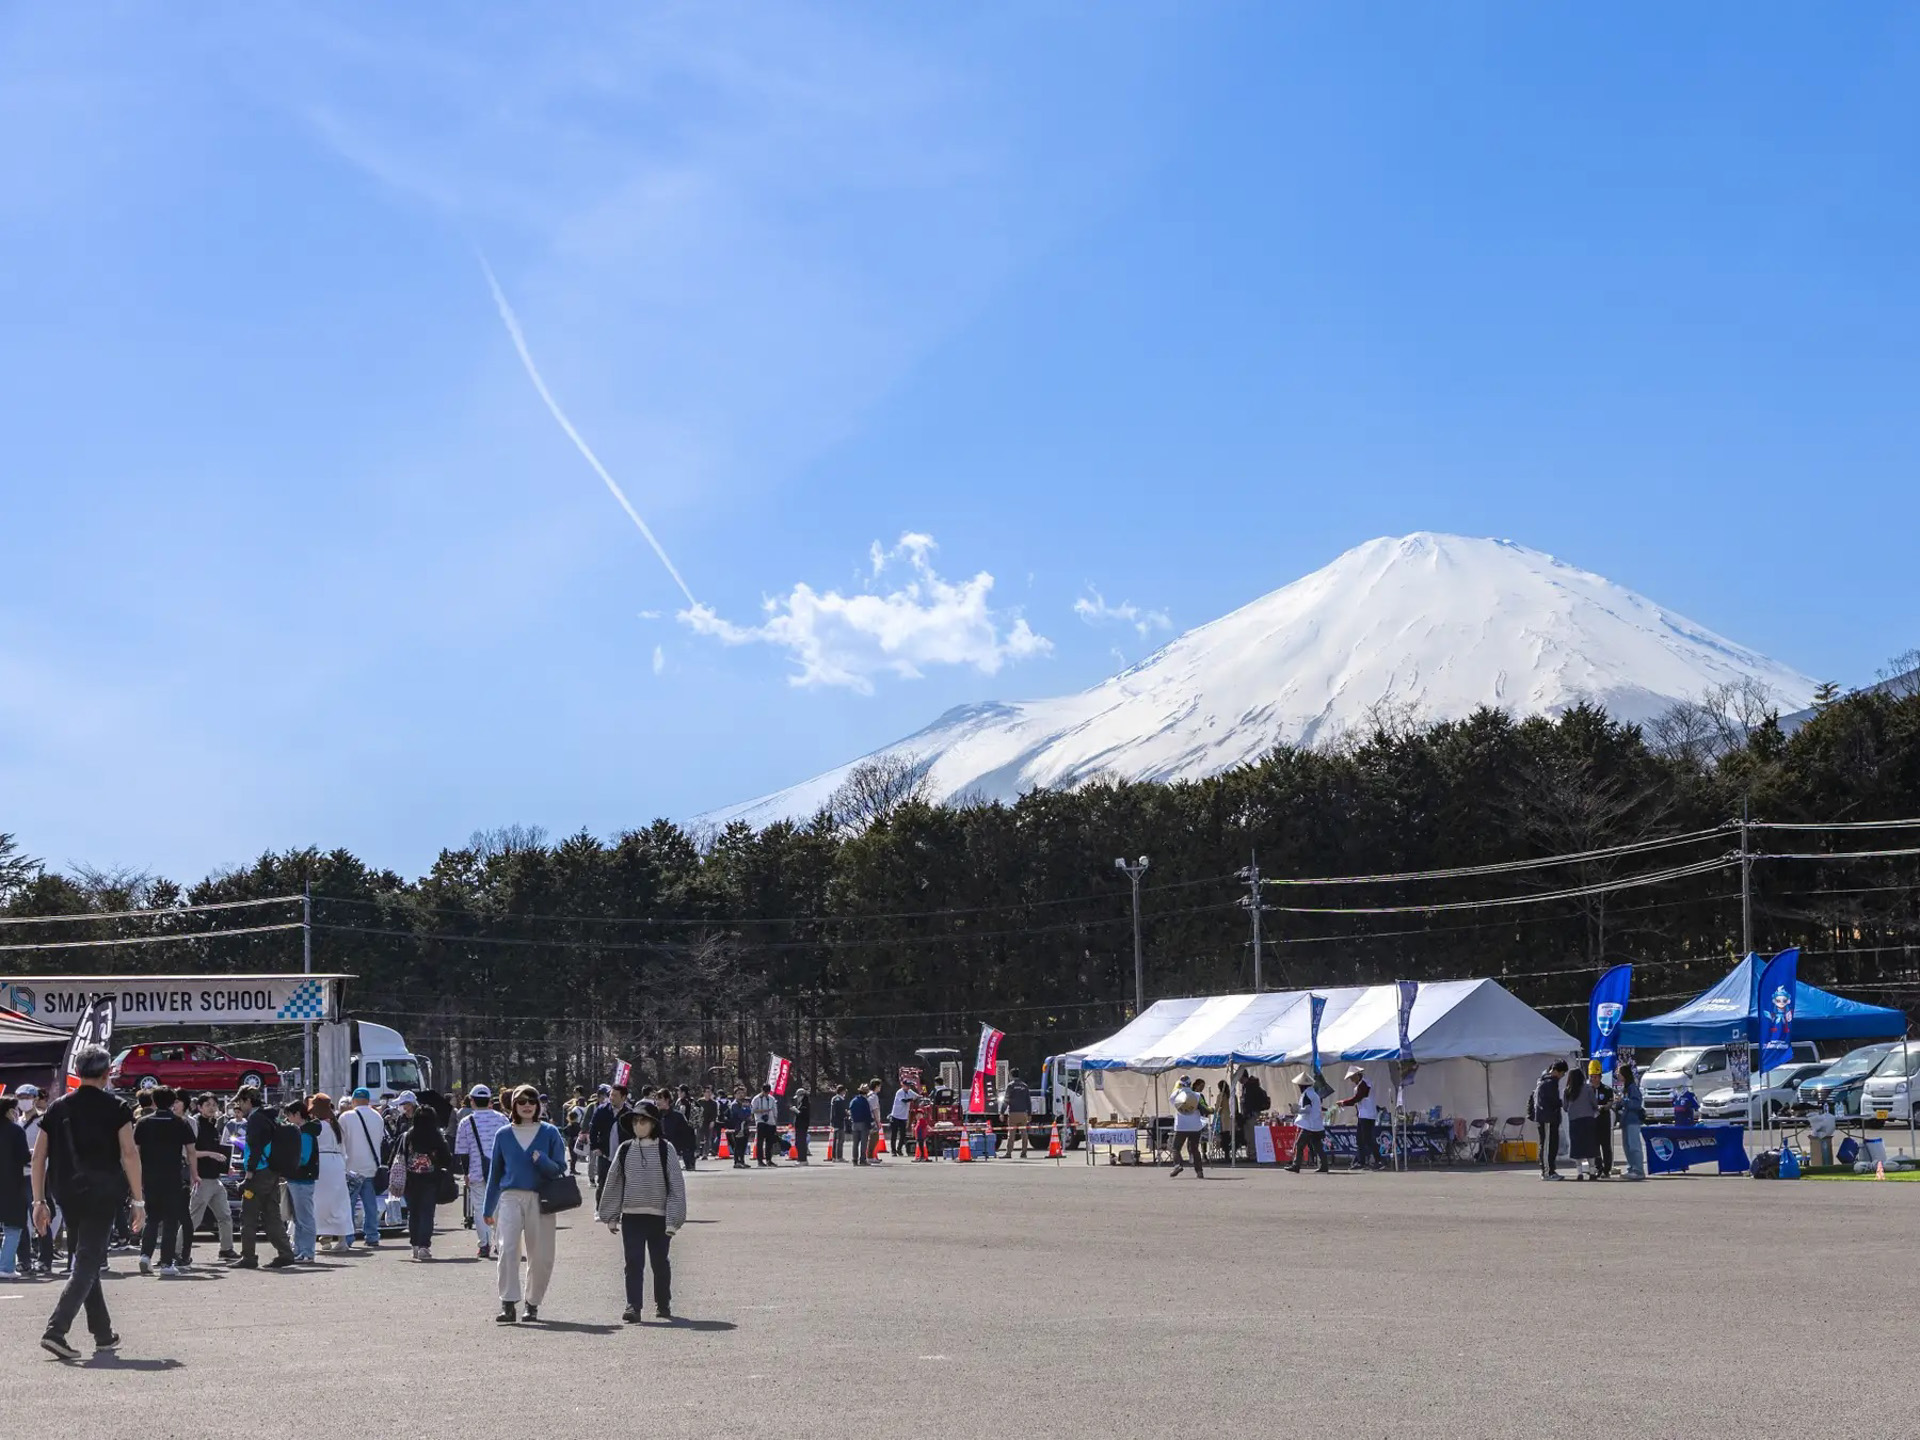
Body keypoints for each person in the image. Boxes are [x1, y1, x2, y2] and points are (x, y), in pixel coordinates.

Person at [31, 1045, 143, 1360]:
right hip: (103, 1191)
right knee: (87, 1261)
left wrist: (39, 1199)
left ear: (78, 1072)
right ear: (108, 1074)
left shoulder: (57, 1107)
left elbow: (39, 1156)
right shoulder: (117, 1106)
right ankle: (56, 1330)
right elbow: (129, 1154)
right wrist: (139, 1199)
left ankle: (103, 1333)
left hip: (66, 1191)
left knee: (86, 1258)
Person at [481, 1084, 567, 1323]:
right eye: (522, 1101)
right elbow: (495, 1174)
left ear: (538, 1105)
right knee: (507, 1248)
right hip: (510, 1196)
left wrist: (542, 1160)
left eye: (532, 1100)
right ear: (514, 1106)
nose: (527, 1105)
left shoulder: (549, 1132)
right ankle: (508, 1302)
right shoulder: (504, 1135)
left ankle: (532, 1303)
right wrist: (488, 1209)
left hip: (541, 1197)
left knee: (540, 1254)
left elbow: (560, 1168)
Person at [596, 1102, 686, 1323]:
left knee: (660, 1262)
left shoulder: (666, 1149)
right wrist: (611, 1215)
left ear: (653, 1123)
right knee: (633, 1262)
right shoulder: (625, 1149)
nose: (638, 1125)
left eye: (643, 1120)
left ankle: (663, 1303)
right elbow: (614, 1182)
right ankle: (633, 1306)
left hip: (659, 1217)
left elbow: (676, 1185)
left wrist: (674, 1220)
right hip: (632, 1216)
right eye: (635, 1121)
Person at [134, 1088, 197, 1275]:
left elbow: (134, 1152)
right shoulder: (180, 1123)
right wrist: (194, 1174)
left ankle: (145, 1255)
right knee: (170, 1219)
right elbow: (191, 1152)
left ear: (153, 1101)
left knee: (152, 1217)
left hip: (149, 1176)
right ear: (172, 1102)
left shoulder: (143, 1122)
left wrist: (137, 1177)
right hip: (172, 1176)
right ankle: (166, 1263)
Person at [233, 1084, 297, 1268]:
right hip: (272, 1171)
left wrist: (248, 1175)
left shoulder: (255, 1120)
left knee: (249, 1216)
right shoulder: (270, 1117)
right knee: (272, 1215)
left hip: (259, 1173)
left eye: (240, 1102)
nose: (239, 1106)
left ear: (247, 1100)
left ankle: (248, 1257)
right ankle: (286, 1253)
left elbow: (254, 1148)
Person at [396, 1098, 453, 1261]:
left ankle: (414, 1244)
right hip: (431, 1179)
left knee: (413, 1212)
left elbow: (398, 1155)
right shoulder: (436, 1137)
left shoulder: (408, 1135)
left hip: (410, 1179)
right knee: (427, 1213)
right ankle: (423, 1246)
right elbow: (447, 1159)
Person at [454, 1083, 507, 1259]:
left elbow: (462, 1151)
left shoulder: (466, 1122)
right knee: (499, 1208)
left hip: (477, 1170)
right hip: (500, 1170)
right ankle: (501, 1244)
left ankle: (484, 1245)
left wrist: (466, 1173)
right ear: (490, 1101)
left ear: (472, 1101)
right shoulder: (501, 1119)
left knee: (479, 1208)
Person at [185, 1093, 236, 1259]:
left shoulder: (213, 1125)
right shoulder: (195, 1125)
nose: (212, 1107)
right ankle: (178, 1251)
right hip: (201, 1179)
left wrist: (225, 1167)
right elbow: (189, 1153)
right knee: (194, 1219)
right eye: (207, 1104)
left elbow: (217, 1152)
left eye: (214, 1104)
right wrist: (211, 1154)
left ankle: (226, 1249)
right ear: (199, 1107)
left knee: (225, 1216)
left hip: (215, 1179)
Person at [339, 1088, 387, 1249]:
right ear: (368, 1100)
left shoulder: (345, 1117)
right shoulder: (377, 1117)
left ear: (353, 1101)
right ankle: (372, 1235)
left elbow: (341, 1141)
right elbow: (380, 1140)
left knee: (349, 1204)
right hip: (371, 1166)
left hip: (351, 1167)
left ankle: (348, 1237)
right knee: (370, 1203)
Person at [307, 1094, 353, 1250]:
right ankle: (342, 1240)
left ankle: (324, 1238)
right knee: (339, 1202)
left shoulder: (317, 1125)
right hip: (337, 1164)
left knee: (318, 1202)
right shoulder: (336, 1125)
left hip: (321, 1163)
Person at [18, 1087, 55, 1276]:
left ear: (34, 1098)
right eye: (20, 1097)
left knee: (40, 1217)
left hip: (38, 1176)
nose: (24, 1100)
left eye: (27, 1097)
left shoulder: (42, 1120)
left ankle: (45, 1259)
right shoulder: (17, 1122)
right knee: (20, 1220)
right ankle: (25, 1259)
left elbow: (46, 1151)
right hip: (19, 1175)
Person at [282, 1098, 320, 1261]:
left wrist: (286, 1165)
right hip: (299, 1179)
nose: (288, 1119)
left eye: (289, 1115)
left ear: (297, 1114)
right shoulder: (305, 1131)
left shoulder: (305, 1134)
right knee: (299, 1217)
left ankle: (307, 1251)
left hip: (301, 1179)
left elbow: (303, 1158)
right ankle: (300, 1249)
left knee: (304, 1217)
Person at [0, 1096, 29, 1276]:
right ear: (9, 1111)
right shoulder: (15, 1131)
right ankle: (6, 1266)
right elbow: (23, 1157)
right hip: (12, 1184)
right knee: (14, 1227)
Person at [1337, 1066, 1381, 1172]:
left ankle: (1379, 1160)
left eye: (1352, 1077)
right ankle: (1361, 1161)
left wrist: (1344, 1103)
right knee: (1360, 1140)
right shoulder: (1360, 1084)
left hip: (1368, 1115)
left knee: (1368, 1139)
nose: (1351, 1080)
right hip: (1363, 1115)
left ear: (1357, 1075)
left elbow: (1357, 1098)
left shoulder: (1364, 1084)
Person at [1285, 1071, 1329, 1174]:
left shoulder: (1306, 1095)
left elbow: (1308, 1109)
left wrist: (1297, 1110)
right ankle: (1324, 1166)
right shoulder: (1314, 1094)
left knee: (1299, 1145)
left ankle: (1296, 1165)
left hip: (1309, 1125)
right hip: (1317, 1125)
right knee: (1318, 1146)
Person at [1532, 1061, 1568, 1181]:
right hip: (1547, 1117)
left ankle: (1550, 1170)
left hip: (1547, 1117)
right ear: (1557, 1071)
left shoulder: (1544, 1080)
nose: (1562, 1076)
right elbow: (1552, 1101)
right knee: (1547, 1145)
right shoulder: (1549, 1082)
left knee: (1551, 1145)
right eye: (1562, 1073)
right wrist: (1561, 1102)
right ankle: (1547, 1172)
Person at [1167, 1075, 1209, 1178]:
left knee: (1176, 1147)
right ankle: (1199, 1171)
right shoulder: (1198, 1095)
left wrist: (1177, 1087)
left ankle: (1178, 1165)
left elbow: (1172, 1099)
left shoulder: (1176, 1095)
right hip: (1195, 1126)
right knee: (1194, 1149)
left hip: (1181, 1126)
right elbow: (1205, 1108)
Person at [1564, 1065, 1599, 1181]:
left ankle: (1579, 1172)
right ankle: (1592, 1171)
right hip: (1588, 1119)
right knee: (1590, 1145)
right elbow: (1594, 1103)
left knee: (1577, 1146)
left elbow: (1565, 1107)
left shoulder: (1567, 1090)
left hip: (1574, 1120)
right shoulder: (1588, 1088)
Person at [588, 1084, 625, 1188]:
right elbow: (593, 1129)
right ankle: (600, 1204)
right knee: (602, 1184)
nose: (612, 1098)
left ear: (623, 1097)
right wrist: (595, 1147)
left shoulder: (628, 1113)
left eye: (615, 1095)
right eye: (611, 1095)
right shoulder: (601, 1110)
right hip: (604, 1154)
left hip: (622, 1156)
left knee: (621, 1185)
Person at [1618, 1061, 1647, 1181]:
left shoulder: (1632, 1088)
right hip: (1625, 1120)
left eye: (1619, 1073)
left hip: (1633, 1120)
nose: (1617, 1075)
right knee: (1627, 1146)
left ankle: (1638, 1170)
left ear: (1624, 1074)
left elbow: (1636, 1103)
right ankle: (1631, 1168)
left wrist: (1623, 1100)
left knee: (1634, 1146)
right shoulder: (1625, 1088)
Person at [1237, 1070, 1269, 1161]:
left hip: (1251, 1115)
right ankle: (1251, 1153)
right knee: (1249, 1135)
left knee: (1251, 1135)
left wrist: (1247, 1113)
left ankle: (1253, 1154)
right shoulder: (1247, 1087)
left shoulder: (1250, 1088)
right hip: (1249, 1115)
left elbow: (1249, 1103)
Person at [999, 1071, 1033, 1158]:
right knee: (1024, 1133)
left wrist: (1002, 1112)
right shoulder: (1025, 1086)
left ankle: (1009, 1153)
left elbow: (1006, 1100)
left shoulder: (1011, 1086)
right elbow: (1028, 1101)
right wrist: (1029, 1113)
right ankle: (1024, 1152)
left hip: (1013, 1112)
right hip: (1023, 1113)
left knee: (1011, 1133)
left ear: (1011, 1075)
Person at [1591, 1064, 1615, 1179]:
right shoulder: (1587, 1090)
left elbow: (1610, 1103)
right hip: (1592, 1121)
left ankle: (1607, 1169)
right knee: (1594, 1145)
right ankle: (1598, 1167)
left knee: (1605, 1145)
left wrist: (1603, 1107)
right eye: (1592, 1077)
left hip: (1603, 1120)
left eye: (1596, 1077)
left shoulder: (1606, 1090)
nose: (1593, 1079)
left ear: (1600, 1077)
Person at [889, 1078, 921, 1159]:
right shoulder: (900, 1092)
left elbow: (917, 1096)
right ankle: (893, 1151)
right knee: (894, 1134)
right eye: (906, 1085)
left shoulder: (910, 1092)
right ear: (902, 1085)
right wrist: (912, 1099)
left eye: (909, 1085)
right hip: (896, 1116)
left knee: (903, 1135)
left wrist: (919, 1096)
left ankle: (899, 1149)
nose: (908, 1087)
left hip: (903, 1117)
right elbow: (904, 1100)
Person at [750, 1084, 780, 1167]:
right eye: (765, 1092)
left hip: (770, 1122)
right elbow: (752, 1110)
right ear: (762, 1090)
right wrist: (763, 1110)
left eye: (767, 1092)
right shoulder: (756, 1099)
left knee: (769, 1142)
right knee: (760, 1142)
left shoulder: (771, 1099)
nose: (766, 1093)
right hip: (760, 1121)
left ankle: (769, 1159)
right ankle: (760, 1160)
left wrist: (775, 1122)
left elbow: (775, 1111)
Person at [848, 1084, 874, 1166]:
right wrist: (870, 1125)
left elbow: (850, 1112)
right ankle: (862, 1160)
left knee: (855, 1143)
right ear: (866, 1093)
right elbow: (867, 1114)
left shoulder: (853, 1101)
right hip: (863, 1124)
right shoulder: (865, 1101)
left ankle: (854, 1159)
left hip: (854, 1123)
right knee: (863, 1143)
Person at [728, 1089, 752, 1168]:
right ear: (735, 1095)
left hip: (745, 1127)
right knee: (738, 1145)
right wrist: (746, 1113)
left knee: (743, 1145)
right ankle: (737, 1161)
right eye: (738, 1093)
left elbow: (750, 1114)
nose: (741, 1095)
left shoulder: (745, 1103)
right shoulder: (735, 1104)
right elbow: (741, 1115)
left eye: (742, 1093)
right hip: (737, 1127)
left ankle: (742, 1160)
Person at [789, 1086, 812, 1164]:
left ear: (802, 1096)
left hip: (802, 1126)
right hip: (800, 1126)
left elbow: (802, 1114)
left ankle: (803, 1159)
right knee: (799, 1142)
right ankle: (800, 1158)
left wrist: (795, 1110)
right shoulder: (802, 1104)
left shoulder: (805, 1104)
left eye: (799, 1097)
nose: (797, 1099)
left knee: (801, 1142)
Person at [828, 1084, 849, 1162]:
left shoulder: (835, 1099)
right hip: (839, 1122)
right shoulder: (838, 1100)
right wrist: (846, 1114)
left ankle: (834, 1156)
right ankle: (839, 1157)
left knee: (836, 1139)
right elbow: (838, 1112)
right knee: (839, 1140)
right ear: (842, 1091)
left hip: (835, 1121)